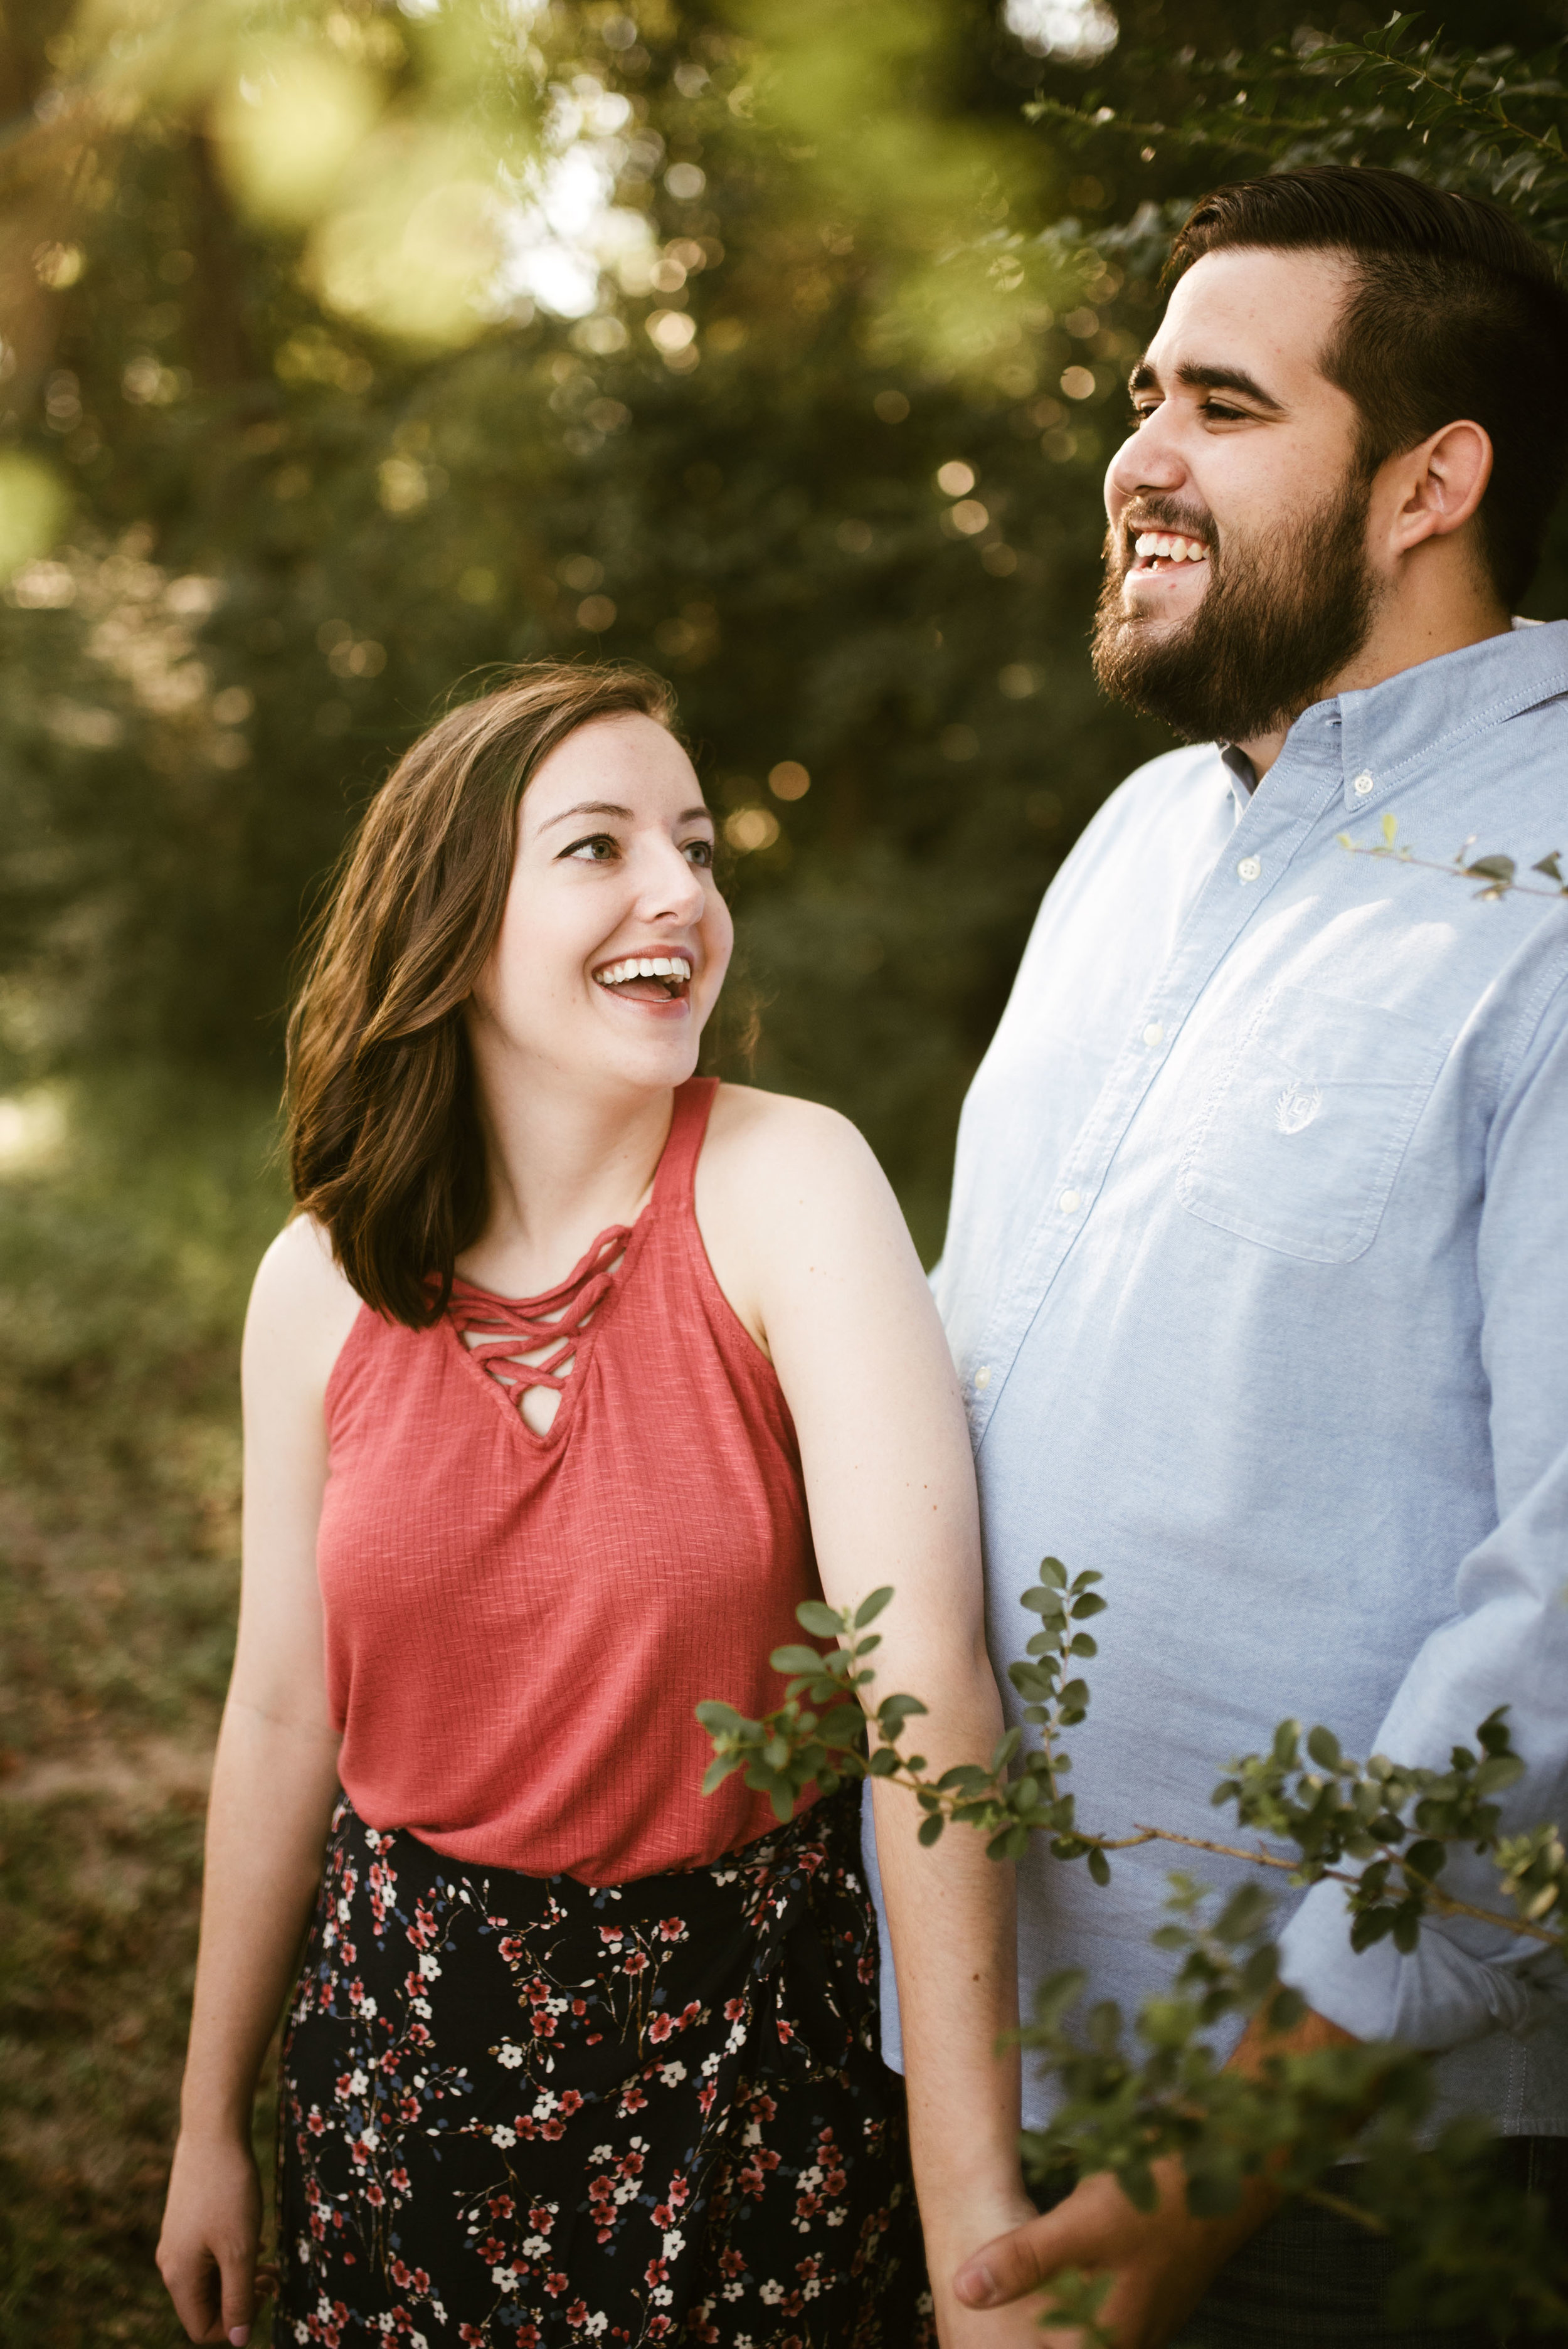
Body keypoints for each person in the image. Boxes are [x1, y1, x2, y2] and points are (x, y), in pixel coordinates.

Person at [870, 166, 1568, 2344]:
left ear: (1424, 482)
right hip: (964, 2076)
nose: (1135, 459)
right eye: (1141, 391)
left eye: (1223, 406)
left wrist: (1208, 2164)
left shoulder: (1549, 890)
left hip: (1331, 2186)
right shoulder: (1138, 833)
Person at [154, 664, 1029, 2348]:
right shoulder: (318, 1282)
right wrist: (208, 2119)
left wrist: (966, 2200)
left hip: (748, 2073)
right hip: (402, 2065)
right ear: (452, 920)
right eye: (599, 846)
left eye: (696, 848)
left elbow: (929, 1695)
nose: (679, 894)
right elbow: (279, 1711)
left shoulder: (793, 1186)